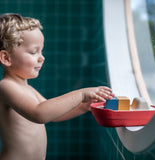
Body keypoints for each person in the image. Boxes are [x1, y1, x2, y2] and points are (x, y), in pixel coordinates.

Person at [0, 13, 115, 160]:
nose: (42, 57)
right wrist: (80, 95)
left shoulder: (27, 89)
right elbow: (39, 114)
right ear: (6, 58)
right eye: (34, 52)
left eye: (41, 51)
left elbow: (52, 114)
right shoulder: (6, 87)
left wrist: (83, 106)